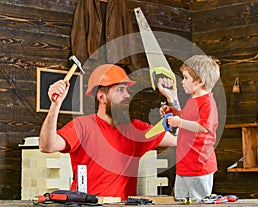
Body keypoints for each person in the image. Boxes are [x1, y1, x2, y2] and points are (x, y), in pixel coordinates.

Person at [39, 64, 177, 201]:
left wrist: (172, 99)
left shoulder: (136, 130)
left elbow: (179, 139)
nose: (127, 95)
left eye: (127, 90)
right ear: (101, 97)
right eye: (120, 90)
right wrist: (55, 105)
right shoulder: (83, 126)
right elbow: (47, 146)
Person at [158, 54, 220, 201]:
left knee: (198, 202)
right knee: (180, 200)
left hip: (199, 166)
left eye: (185, 78)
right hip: (184, 164)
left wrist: (179, 122)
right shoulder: (193, 100)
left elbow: (204, 127)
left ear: (200, 81)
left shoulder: (207, 103)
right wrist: (172, 112)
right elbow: (187, 120)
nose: (182, 82)